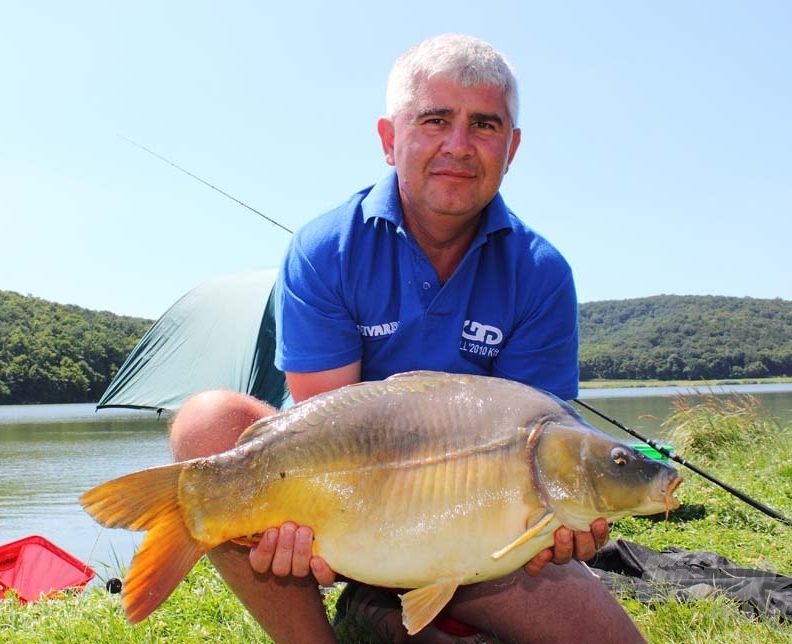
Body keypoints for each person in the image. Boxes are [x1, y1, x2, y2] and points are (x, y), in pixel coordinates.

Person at [169, 34, 645, 643]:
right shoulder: (325, 249)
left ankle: (402, 607)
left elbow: (542, 443)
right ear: (390, 139)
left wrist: (558, 525)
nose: (458, 145)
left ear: (512, 147)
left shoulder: (541, 273)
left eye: (484, 124)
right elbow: (322, 428)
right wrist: (318, 534)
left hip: (474, 523)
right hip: (340, 504)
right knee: (207, 424)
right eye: (435, 119)